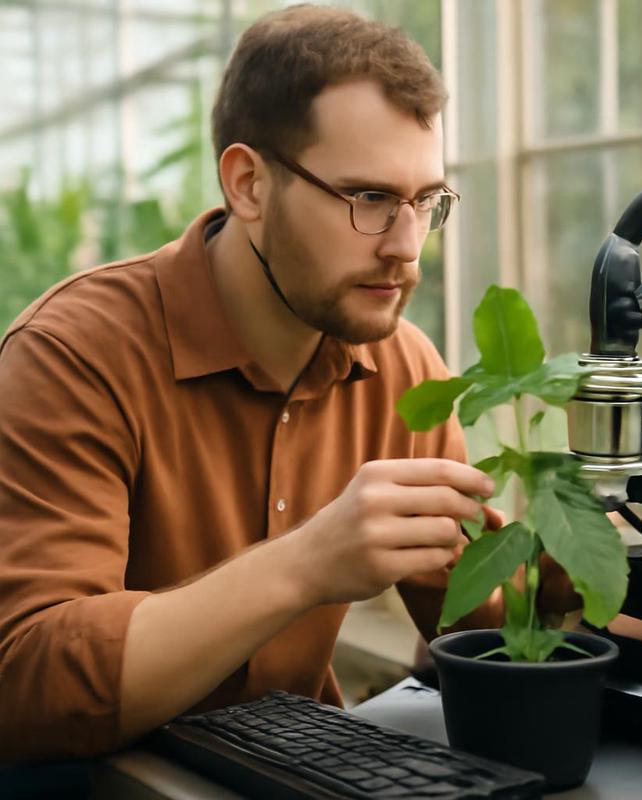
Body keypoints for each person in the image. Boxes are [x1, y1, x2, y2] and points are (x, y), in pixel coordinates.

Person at [0, 5, 569, 762]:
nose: (407, 249)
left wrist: (601, 572)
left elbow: (480, 625)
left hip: (292, 771)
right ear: (249, 184)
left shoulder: (403, 367)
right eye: (368, 198)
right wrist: (306, 563)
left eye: (425, 202)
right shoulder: (74, 355)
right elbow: (30, 684)